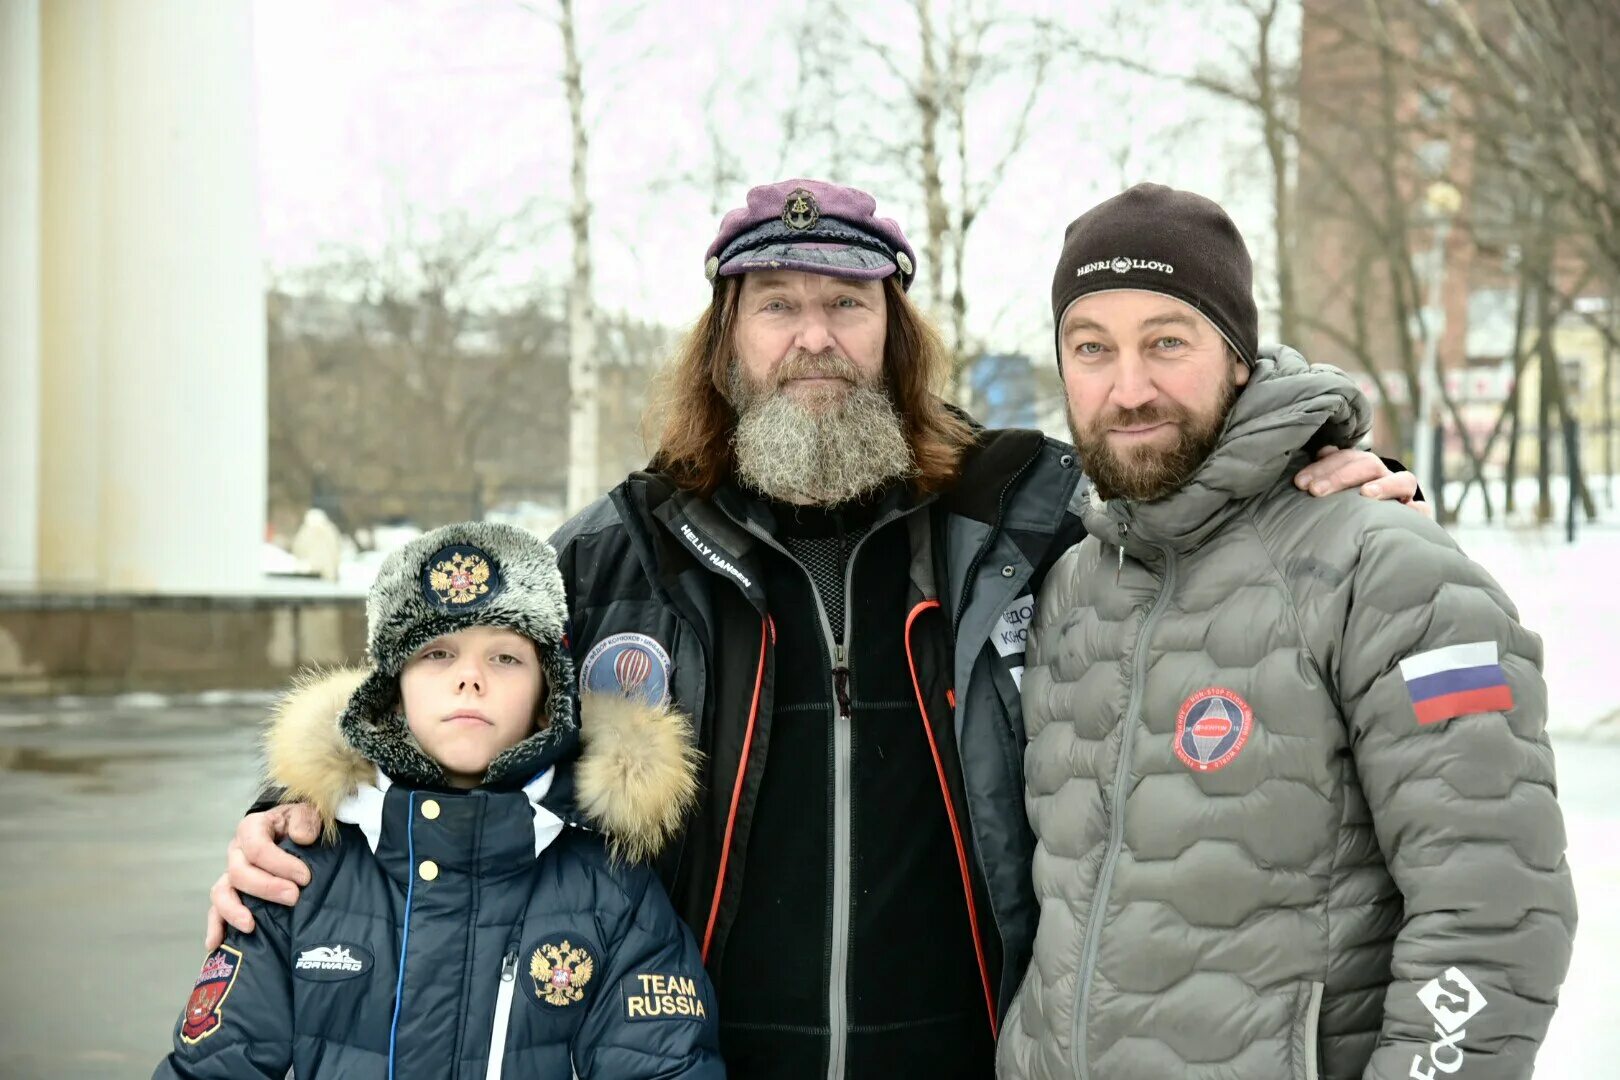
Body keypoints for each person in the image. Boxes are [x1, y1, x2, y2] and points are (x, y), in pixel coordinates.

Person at [205, 179, 1420, 1079]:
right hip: (696, 1051)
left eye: (846, 301)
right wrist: (290, 808)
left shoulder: (1020, 511)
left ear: (894, 332)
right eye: (777, 303)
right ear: (726, 339)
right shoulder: (621, 549)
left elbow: (1184, 492)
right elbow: (445, 681)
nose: (813, 335)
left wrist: (1320, 467)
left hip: (974, 1054)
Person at [995, 183, 1577, 1080]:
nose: (1129, 387)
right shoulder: (1072, 584)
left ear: (1236, 356)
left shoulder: (1386, 572)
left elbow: (1493, 917)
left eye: (1167, 343)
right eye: (1091, 348)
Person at [156, 522, 722, 1078]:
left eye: (505, 657)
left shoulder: (614, 892)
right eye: (436, 654)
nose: (470, 678)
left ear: (549, 696)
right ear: (391, 692)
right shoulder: (295, 872)